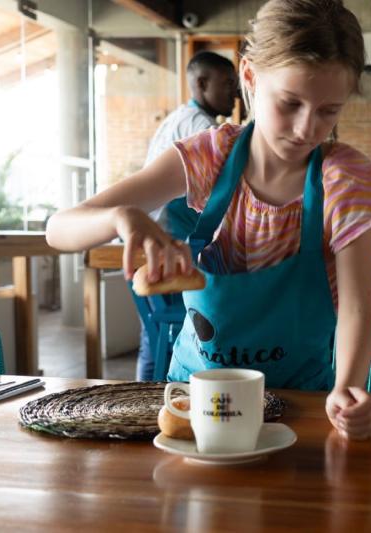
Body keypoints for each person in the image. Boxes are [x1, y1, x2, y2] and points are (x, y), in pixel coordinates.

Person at [46, 0, 371, 440]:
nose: (308, 129)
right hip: (192, 405)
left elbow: (356, 307)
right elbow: (58, 229)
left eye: (329, 110)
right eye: (290, 103)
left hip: (299, 407)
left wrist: (347, 386)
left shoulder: (343, 178)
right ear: (250, 77)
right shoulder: (209, 157)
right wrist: (123, 216)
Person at [136, 50, 238, 382]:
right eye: (227, 84)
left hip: (155, 239)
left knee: (153, 336)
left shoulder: (178, 117)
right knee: (183, 333)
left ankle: (143, 402)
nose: (234, 93)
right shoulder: (204, 130)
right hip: (172, 241)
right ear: (201, 83)